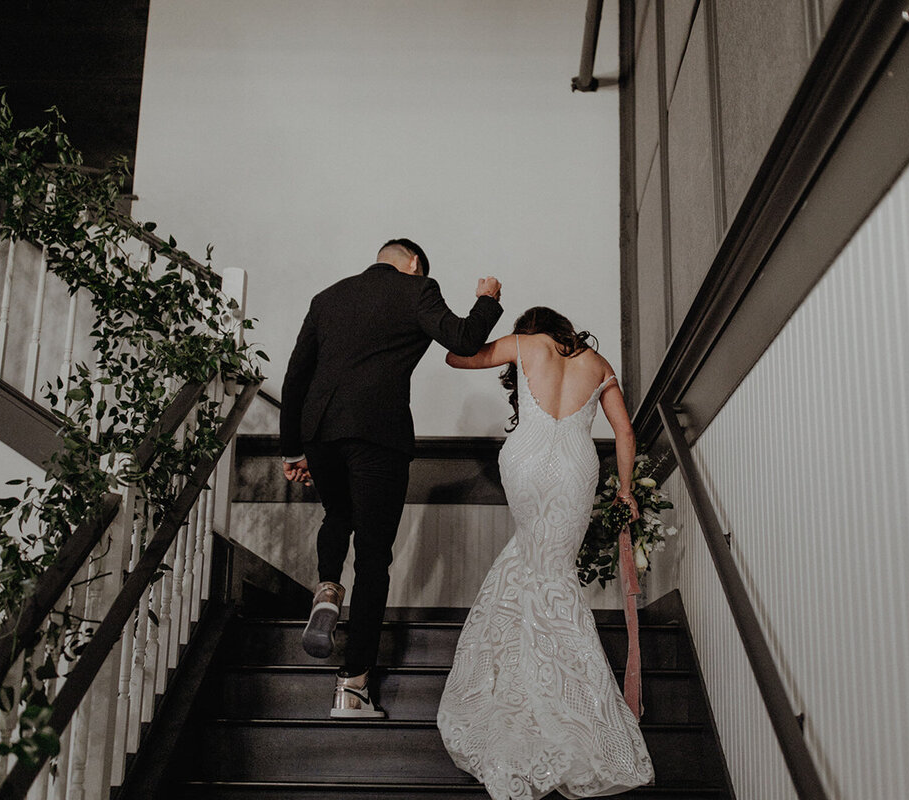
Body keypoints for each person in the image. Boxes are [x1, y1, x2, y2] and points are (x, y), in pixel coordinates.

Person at [435, 307, 654, 799]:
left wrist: (479, 318)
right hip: (576, 467)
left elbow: (455, 357)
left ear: (532, 328)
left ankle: (519, 667)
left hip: (527, 459)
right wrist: (625, 491)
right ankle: (560, 683)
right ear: (564, 328)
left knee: (530, 555)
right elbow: (624, 432)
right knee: (553, 567)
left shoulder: (524, 343)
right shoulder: (597, 363)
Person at [280, 238, 503, 718]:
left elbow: (296, 375)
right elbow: (463, 339)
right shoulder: (418, 289)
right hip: (377, 434)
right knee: (374, 559)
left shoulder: (328, 296)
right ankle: (353, 686)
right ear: (414, 263)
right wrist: (488, 299)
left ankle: (325, 589)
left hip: (320, 431)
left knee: (337, 513)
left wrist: (294, 448)